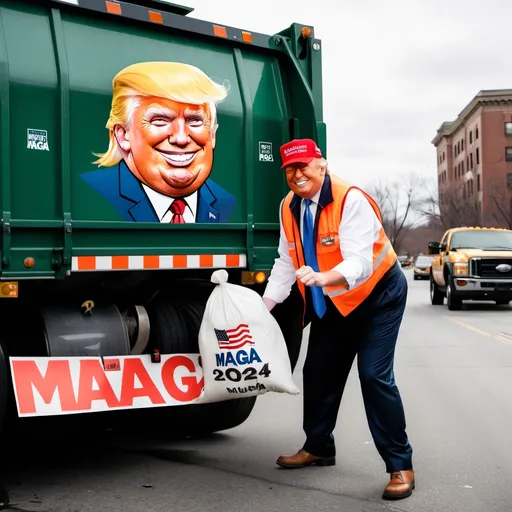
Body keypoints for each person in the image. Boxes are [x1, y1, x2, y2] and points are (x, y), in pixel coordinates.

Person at [262, 138, 414, 500]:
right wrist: (264, 305)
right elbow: (286, 262)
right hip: (334, 301)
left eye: (304, 166)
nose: (297, 175)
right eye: (290, 170)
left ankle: (400, 465)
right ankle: (318, 447)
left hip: (379, 296)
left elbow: (360, 264)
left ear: (322, 165)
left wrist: (323, 278)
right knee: (318, 373)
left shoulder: (351, 200)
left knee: (374, 376)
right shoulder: (289, 207)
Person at [80, 61, 236, 223]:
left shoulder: (227, 202)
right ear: (123, 135)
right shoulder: (89, 195)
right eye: (160, 120)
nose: (181, 138)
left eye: (194, 121)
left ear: (212, 136)